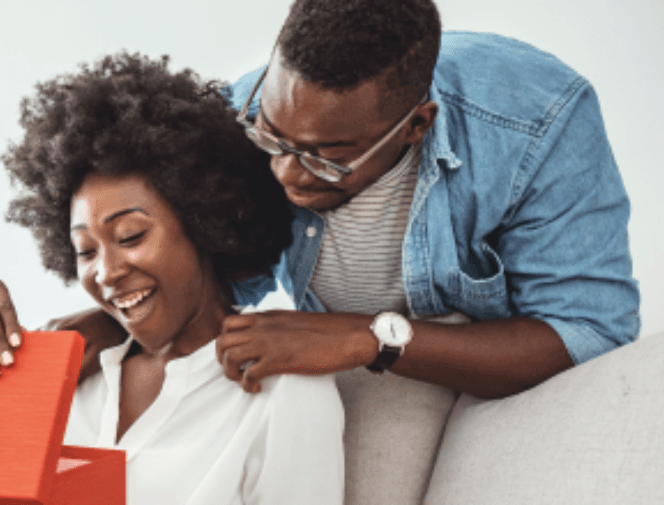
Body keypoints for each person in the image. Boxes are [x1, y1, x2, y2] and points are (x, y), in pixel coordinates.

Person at [0, 52, 344, 505]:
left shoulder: (283, 390)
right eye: (85, 250)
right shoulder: (59, 356)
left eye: (130, 236)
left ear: (207, 222)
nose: (105, 273)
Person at [214, 0, 640, 398]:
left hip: (494, 387)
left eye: (327, 160)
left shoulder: (538, 122)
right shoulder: (237, 113)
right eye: (271, 136)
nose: (285, 171)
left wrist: (370, 337)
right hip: (350, 381)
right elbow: (203, 284)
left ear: (416, 125)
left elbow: (588, 332)